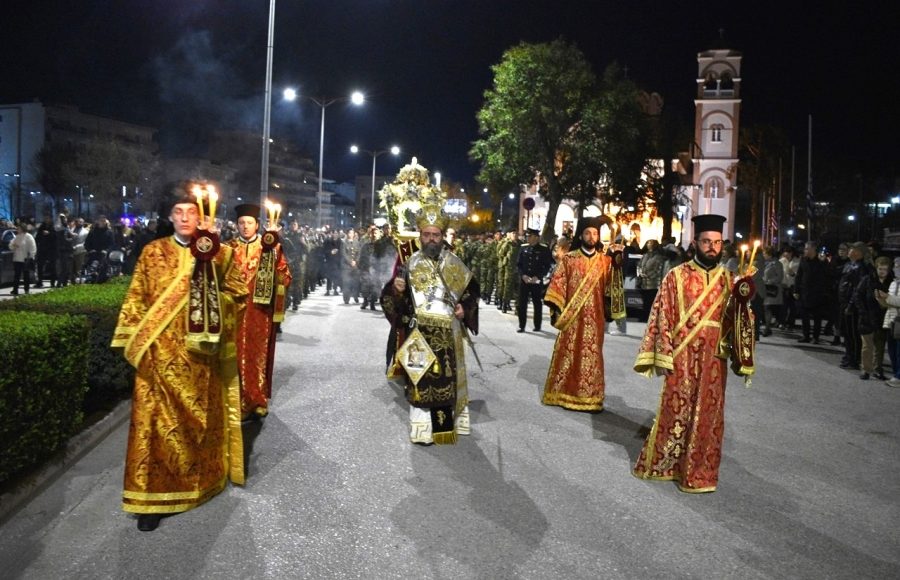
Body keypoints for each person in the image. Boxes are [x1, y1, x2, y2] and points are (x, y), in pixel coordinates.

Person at [110, 188, 247, 531]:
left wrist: (216, 307)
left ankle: (201, 483)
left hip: (201, 362)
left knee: (198, 424)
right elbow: (136, 301)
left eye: (192, 212)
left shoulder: (220, 254)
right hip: (158, 361)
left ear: (202, 218)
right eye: (179, 212)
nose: (186, 218)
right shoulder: (152, 252)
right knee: (153, 429)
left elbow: (239, 295)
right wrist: (139, 346)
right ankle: (150, 502)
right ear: (170, 217)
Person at [632, 214, 743, 493]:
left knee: (709, 415)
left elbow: (739, 321)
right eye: (707, 242)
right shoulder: (676, 276)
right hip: (681, 358)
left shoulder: (730, 280)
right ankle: (666, 463)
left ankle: (701, 471)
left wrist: (744, 305)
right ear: (695, 243)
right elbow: (661, 315)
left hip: (714, 360)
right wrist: (663, 354)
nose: (712, 248)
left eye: (717, 243)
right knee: (676, 410)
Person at [380, 206, 480, 445]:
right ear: (419, 234)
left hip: (449, 336)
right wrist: (397, 290)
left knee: (445, 384)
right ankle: (422, 431)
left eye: (436, 234)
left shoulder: (455, 264)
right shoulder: (410, 264)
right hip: (420, 334)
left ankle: (442, 429)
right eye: (427, 234)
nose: (432, 239)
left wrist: (463, 309)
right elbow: (391, 301)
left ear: (442, 235)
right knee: (421, 383)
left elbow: (472, 292)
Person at [541, 218, 619, 412]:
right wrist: (559, 311)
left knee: (592, 358)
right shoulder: (570, 259)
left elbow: (612, 288)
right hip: (573, 318)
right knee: (569, 355)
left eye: (595, 233)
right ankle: (563, 393)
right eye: (587, 233)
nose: (592, 237)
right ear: (581, 235)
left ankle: (591, 398)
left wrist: (618, 264)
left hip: (595, 320)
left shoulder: (605, 261)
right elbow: (558, 285)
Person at [228, 203, 292, 419]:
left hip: (259, 312)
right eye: (241, 223)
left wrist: (275, 263)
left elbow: (286, 278)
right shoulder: (228, 248)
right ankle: (237, 400)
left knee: (258, 356)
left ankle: (257, 399)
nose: (245, 227)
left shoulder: (269, 247)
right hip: (234, 313)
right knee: (234, 357)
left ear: (258, 225)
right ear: (237, 225)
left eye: (249, 223)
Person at [857, 256, 892, 380]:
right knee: (867, 346)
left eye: (885, 269)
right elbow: (858, 296)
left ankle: (877, 369)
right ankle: (866, 369)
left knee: (880, 346)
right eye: (880, 268)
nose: (882, 271)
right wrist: (863, 312)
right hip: (867, 317)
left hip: (882, 318)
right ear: (876, 268)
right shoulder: (867, 280)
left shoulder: (892, 282)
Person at [516, 228, 553, 333]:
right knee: (522, 303)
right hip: (525, 280)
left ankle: (537, 325)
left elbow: (547, 266)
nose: (528, 238)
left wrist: (538, 276)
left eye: (530, 236)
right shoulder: (523, 248)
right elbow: (519, 264)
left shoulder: (544, 249)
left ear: (536, 238)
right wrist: (523, 275)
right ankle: (521, 325)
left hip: (536, 280)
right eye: (527, 236)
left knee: (537, 303)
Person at [793, 241, 829, 343]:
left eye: (807, 249)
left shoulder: (821, 260)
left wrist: (823, 262)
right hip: (805, 292)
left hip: (817, 292)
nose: (805, 251)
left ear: (813, 249)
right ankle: (806, 335)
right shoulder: (803, 260)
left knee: (817, 317)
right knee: (804, 316)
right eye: (805, 248)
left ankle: (816, 337)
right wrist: (796, 290)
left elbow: (826, 274)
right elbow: (799, 275)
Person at [877, 257, 900, 387]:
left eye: (898, 266)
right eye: (895, 265)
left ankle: (898, 376)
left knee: (898, 350)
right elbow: (888, 304)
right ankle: (896, 373)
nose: (896, 268)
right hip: (891, 319)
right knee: (891, 349)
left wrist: (888, 297)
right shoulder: (893, 283)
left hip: (899, 321)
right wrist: (881, 299)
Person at [9, 223, 37, 295]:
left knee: (26, 275)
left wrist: (31, 256)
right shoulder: (17, 237)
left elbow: (33, 248)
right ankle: (15, 290)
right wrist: (13, 246)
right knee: (16, 275)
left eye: (19, 228)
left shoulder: (28, 236)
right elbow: (10, 245)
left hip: (25, 259)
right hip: (17, 259)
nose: (17, 229)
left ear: (23, 229)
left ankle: (26, 289)